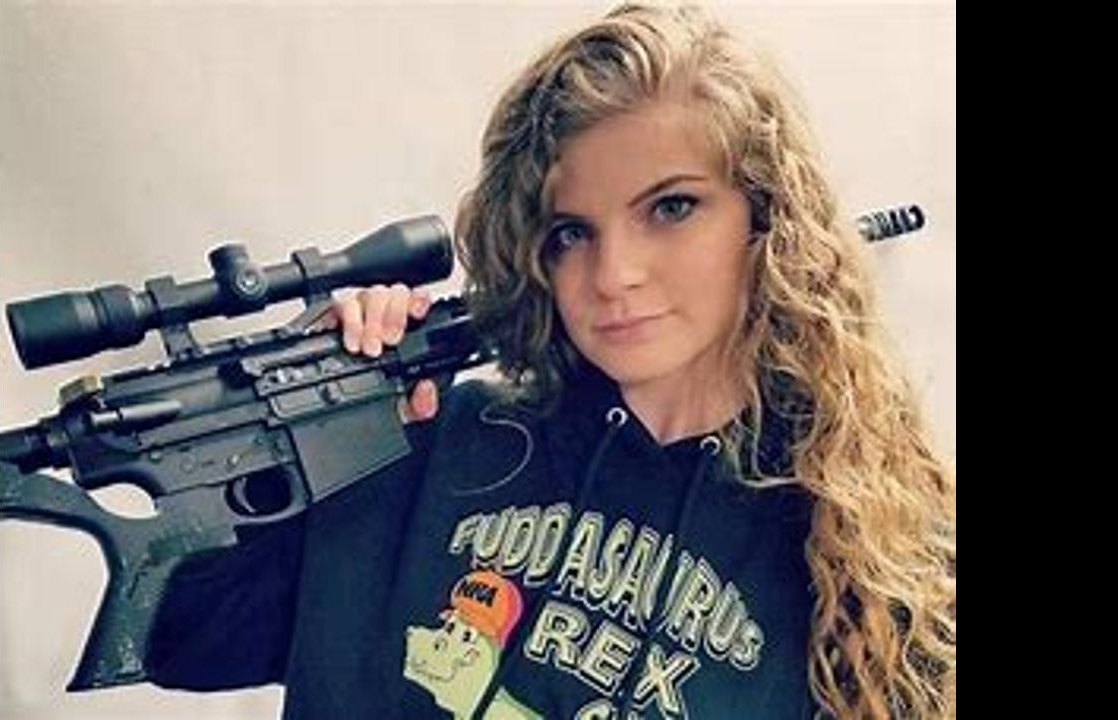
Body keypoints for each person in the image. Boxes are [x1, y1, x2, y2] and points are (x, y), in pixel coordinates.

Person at [145, 3, 956, 718]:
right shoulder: (429, 440)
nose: (613, 275)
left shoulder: (867, 540)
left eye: (671, 207)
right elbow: (185, 640)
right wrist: (302, 440)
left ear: (767, 219)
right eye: (572, 232)